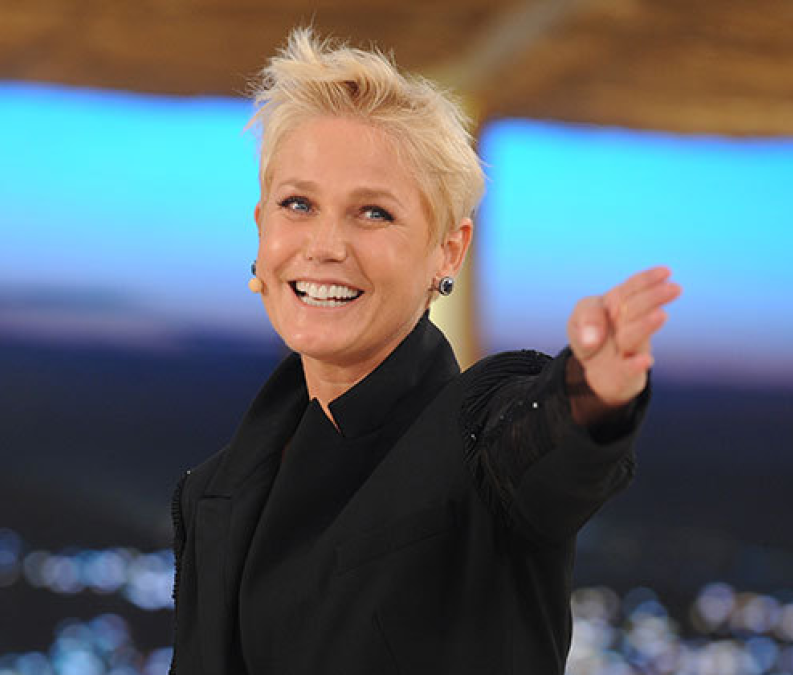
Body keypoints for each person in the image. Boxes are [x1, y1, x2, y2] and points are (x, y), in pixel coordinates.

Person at [168, 27, 681, 675]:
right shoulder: (212, 491)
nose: (324, 246)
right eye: (298, 204)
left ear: (448, 251)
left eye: (373, 213)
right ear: (261, 228)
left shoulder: (472, 439)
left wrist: (587, 391)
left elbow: (538, 446)